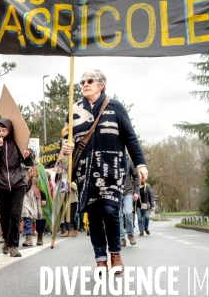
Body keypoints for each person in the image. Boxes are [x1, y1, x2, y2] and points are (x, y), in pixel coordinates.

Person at [61, 69, 147, 273]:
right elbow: (65, 141)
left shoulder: (115, 107)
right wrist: (64, 148)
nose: (84, 84)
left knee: (110, 210)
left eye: (89, 81)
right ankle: (101, 259)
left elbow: (130, 138)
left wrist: (141, 164)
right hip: (85, 172)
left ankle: (115, 254)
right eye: (82, 82)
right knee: (94, 215)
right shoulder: (74, 110)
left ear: (102, 85)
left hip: (112, 170)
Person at [0, 119, 30, 258]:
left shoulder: (18, 143)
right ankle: (6, 239)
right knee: (5, 216)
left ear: (9, 130)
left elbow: (28, 162)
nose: (1, 133)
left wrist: (28, 155)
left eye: (4, 130)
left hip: (18, 183)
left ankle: (13, 246)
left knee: (15, 215)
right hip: (2, 184)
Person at [21, 149, 47, 247]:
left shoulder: (39, 167)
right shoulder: (21, 167)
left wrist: (44, 198)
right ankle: (28, 238)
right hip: (26, 194)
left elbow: (44, 184)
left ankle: (40, 235)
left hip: (38, 193)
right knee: (26, 215)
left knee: (40, 216)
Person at [119, 156, 140, 246]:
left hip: (128, 192)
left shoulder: (129, 160)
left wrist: (136, 192)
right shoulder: (112, 158)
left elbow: (136, 177)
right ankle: (121, 238)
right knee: (118, 215)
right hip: (116, 192)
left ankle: (130, 234)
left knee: (128, 212)